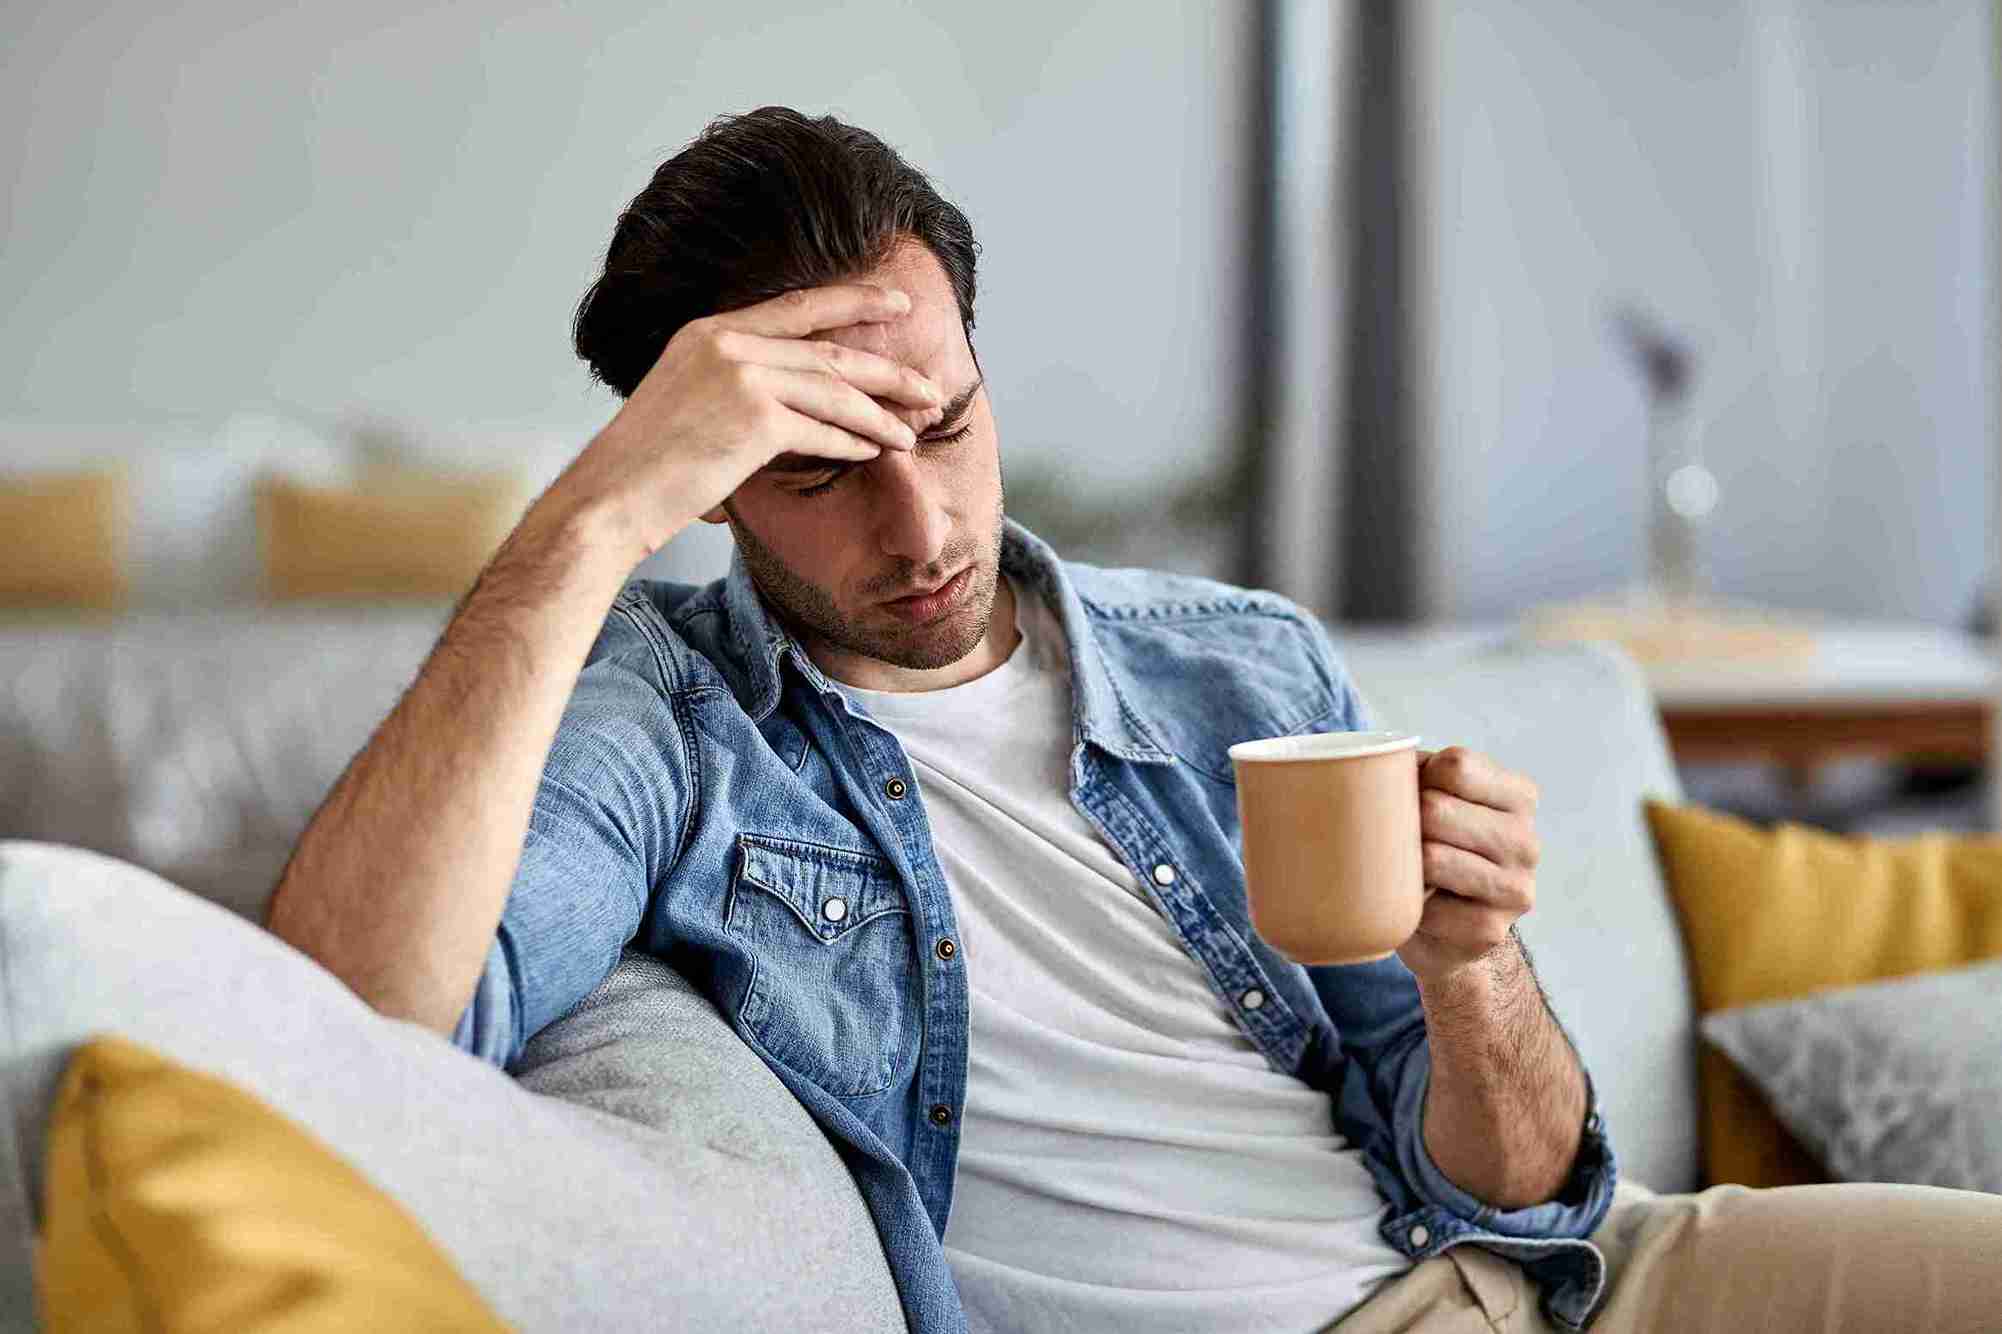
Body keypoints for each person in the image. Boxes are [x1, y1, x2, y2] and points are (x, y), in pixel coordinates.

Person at [264, 106, 2002, 1334]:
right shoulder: (666, 716)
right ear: (706, 488)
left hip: (1584, 1275)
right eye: (815, 470)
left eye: (943, 425)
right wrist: (587, 522)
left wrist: (1477, 973)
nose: (922, 529)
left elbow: (1520, 1187)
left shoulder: (1231, 658)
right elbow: (355, 1013)